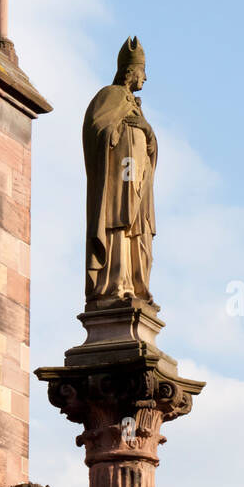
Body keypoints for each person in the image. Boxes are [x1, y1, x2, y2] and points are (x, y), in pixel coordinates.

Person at [82, 36, 157, 304]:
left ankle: (135, 285)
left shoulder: (136, 107)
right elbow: (96, 130)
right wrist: (115, 130)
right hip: (117, 184)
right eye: (143, 71)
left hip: (136, 184)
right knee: (117, 226)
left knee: (136, 232)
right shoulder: (110, 96)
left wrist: (145, 130)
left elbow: (150, 146)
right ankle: (116, 283)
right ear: (130, 71)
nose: (145, 78)